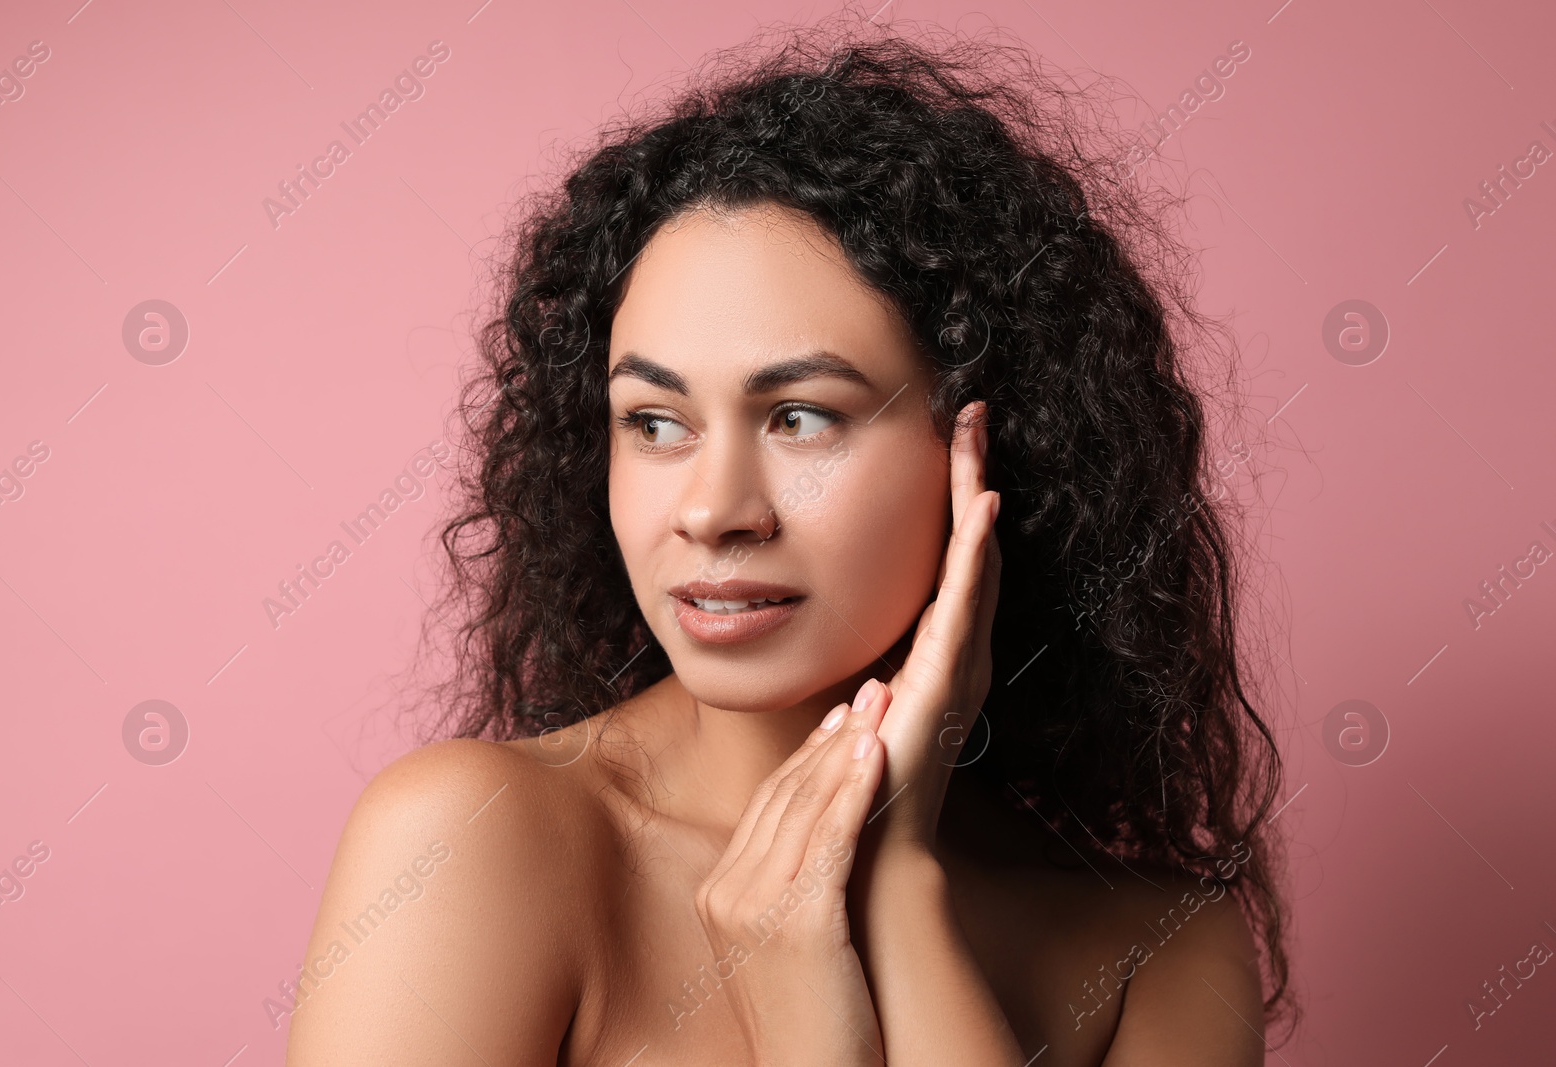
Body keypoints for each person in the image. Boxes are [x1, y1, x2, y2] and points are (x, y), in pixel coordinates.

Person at [286, 15, 1292, 1066]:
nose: (713, 509)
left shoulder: (1157, 948)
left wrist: (890, 882)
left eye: (800, 416)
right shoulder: (474, 840)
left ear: (993, 450)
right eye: (655, 423)